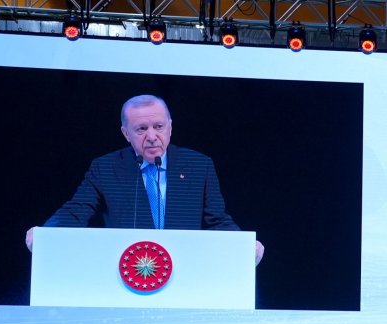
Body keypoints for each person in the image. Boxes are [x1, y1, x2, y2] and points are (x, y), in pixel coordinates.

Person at [26, 94, 264, 263]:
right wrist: (47, 233)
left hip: (186, 269)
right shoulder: (106, 167)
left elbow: (217, 220)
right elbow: (76, 211)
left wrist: (243, 245)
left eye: (158, 126)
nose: (152, 136)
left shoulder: (199, 165)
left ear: (170, 127)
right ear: (125, 133)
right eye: (141, 129)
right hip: (125, 271)